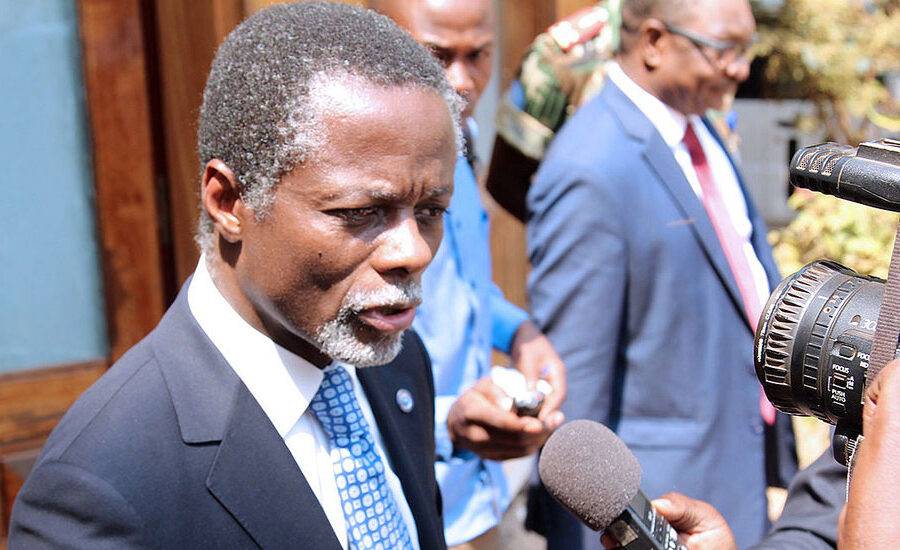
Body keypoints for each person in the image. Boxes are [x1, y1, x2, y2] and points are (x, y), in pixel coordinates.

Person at [9, 3, 461, 548]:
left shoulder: (394, 361)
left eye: (431, 211)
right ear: (228, 201)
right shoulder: (103, 484)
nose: (413, 251)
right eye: (359, 212)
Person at [525, 0, 797, 547]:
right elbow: (577, 395)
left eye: (747, 49)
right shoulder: (591, 167)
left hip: (730, 479)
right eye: (725, 50)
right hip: (657, 508)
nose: (741, 69)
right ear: (654, 41)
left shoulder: (699, 131)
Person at [368, 1, 568, 548]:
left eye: (478, 55)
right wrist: (445, 424)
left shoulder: (460, 137)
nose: (461, 80)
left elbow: (460, 285)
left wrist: (519, 331)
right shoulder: (353, 175)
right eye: (437, 55)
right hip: (402, 507)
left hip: (477, 496)